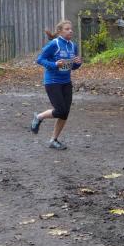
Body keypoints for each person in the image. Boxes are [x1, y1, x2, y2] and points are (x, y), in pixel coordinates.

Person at [30, 20, 82, 150]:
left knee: (65, 113)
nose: (70, 31)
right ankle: (39, 117)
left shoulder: (73, 46)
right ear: (60, 31)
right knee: (60, 111)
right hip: (53, 82)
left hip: (66, 82)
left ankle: (53, 140)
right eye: (67, 29)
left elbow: (73, 66)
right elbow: (40, 59)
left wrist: (78, 63)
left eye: (71, 29)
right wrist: (54, 64)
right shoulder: (54, 44)